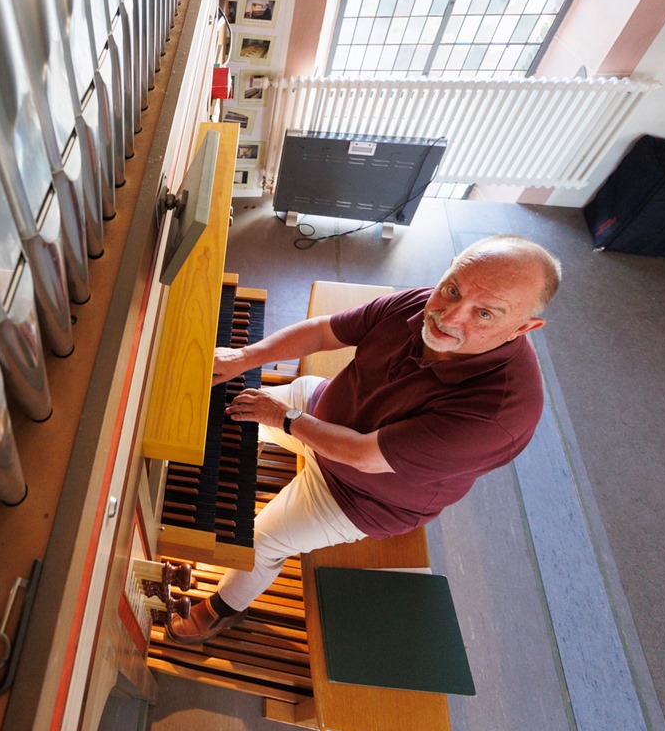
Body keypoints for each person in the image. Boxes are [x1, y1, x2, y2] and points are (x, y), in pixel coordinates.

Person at [166, 234, 562, 644]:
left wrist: (283, 417)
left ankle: (224, 611)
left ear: (524, 327)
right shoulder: (421, 304)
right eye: (452, 289)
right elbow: (325, 331)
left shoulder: (499, 413)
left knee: (260, 541)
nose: (449, 317)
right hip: (321, 410)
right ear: (449, 270)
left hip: (362, 493)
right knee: (234, 406)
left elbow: (362, 455)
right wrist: (244, 358)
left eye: (483, 314)